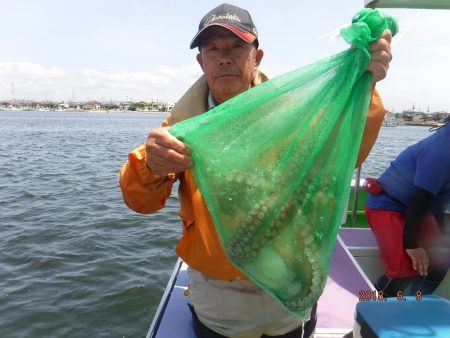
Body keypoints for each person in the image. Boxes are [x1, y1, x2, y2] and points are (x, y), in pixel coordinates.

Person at [120, 4, 393, 338]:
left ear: (257, 56)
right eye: (213, 49)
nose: (224, 58)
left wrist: (364, 81)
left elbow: (344, 149)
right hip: (219, 299)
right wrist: (150, 165)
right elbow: (141, 202)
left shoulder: (294, 116)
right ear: (201, 61)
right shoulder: (181, 128)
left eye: (236, 47)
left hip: (292, 285)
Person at [365, 121, 450, 297]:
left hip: (422, 210)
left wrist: (439, 236)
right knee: (404, 268)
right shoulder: (442, 148)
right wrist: (411, 245)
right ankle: (368, 309)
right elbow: (421, 197)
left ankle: (415, 305)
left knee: (441, 261)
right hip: (387, 205)